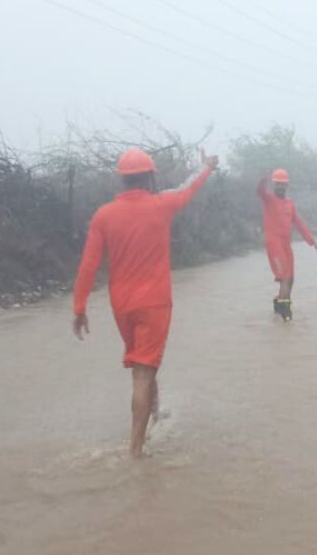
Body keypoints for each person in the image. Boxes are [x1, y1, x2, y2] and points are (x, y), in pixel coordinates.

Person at [72, 148, 219, 458]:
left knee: (143, 366)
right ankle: (136, 451)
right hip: (154, 302)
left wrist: (79, 308)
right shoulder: (161, 204)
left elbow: (88, 264)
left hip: (121, 305)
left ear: (122, 181)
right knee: (143, 371)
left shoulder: (104, 215)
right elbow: (189, 187)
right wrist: (206, 167)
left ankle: (154, 417)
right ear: (150, 177)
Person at [258, 168, 317, 320]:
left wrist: (313, 243)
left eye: (283, 184)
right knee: (285, 277)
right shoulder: (269, 200)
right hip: (274, 245)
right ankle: (286, 313)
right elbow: (260, 192)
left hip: (286, 245)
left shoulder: (290, 204)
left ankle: (279, 305)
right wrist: (262, 180)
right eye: (278, 184)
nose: (281, 187)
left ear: (287, 186)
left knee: (290, 278)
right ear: (274, 185)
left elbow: (299, 224)